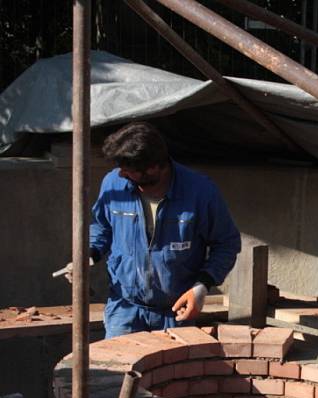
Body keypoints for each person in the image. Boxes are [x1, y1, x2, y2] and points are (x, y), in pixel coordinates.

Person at [62, 121, 241, 338]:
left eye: (128, 171)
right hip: (124, 309)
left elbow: (226, 243)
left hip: (176, 313)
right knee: (115, 370)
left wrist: (202, 285)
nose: (122, 175)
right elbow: (102, 226)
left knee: (173, 371)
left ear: (154, 167)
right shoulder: (113, 184)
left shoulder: (200, 192)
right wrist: (89, 253)